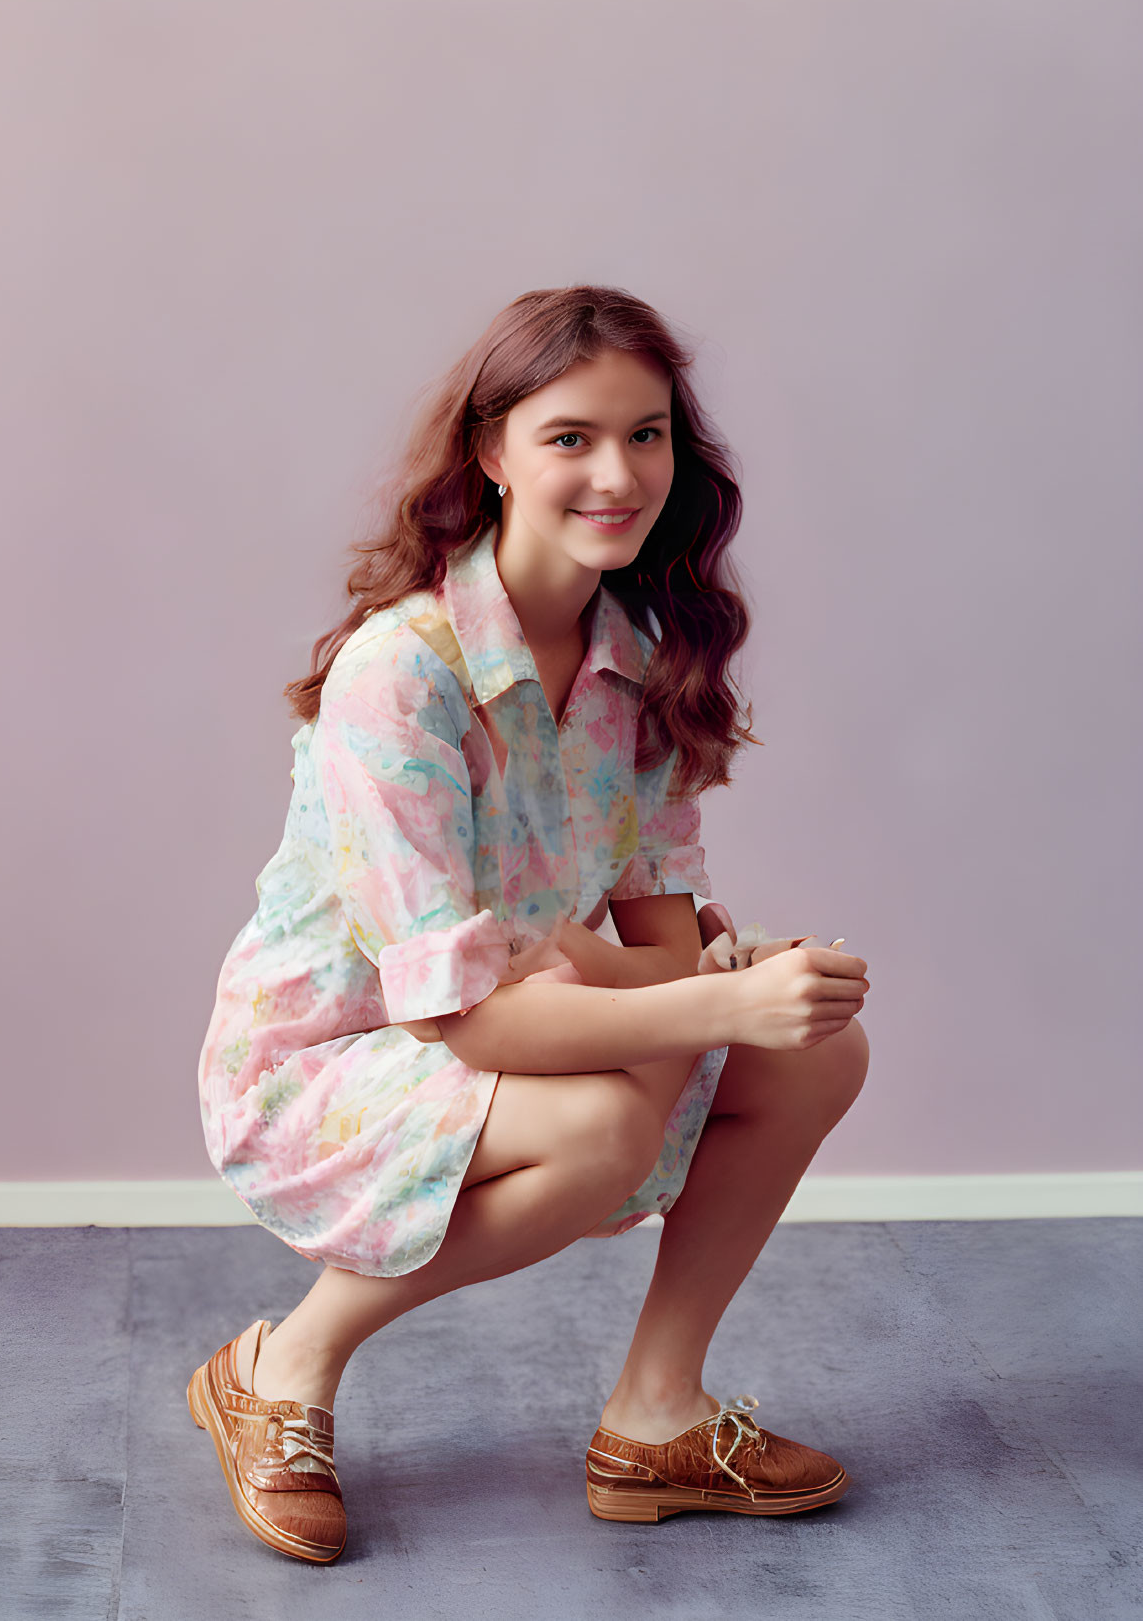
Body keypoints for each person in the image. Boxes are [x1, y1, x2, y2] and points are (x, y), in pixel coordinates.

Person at [187, 284, 871, 1564]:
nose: (618, 473)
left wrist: (710, 975)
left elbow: (655, 949)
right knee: (609, 1118)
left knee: (817, 1050)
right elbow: (457, 1013)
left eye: (648, 434)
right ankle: (280, 1371)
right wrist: (706, 996)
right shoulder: (403, 671)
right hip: (336, 1058)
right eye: (572, 437)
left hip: (524, 1026)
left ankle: (655, 1417)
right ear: (492, 453)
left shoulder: (643, 666)